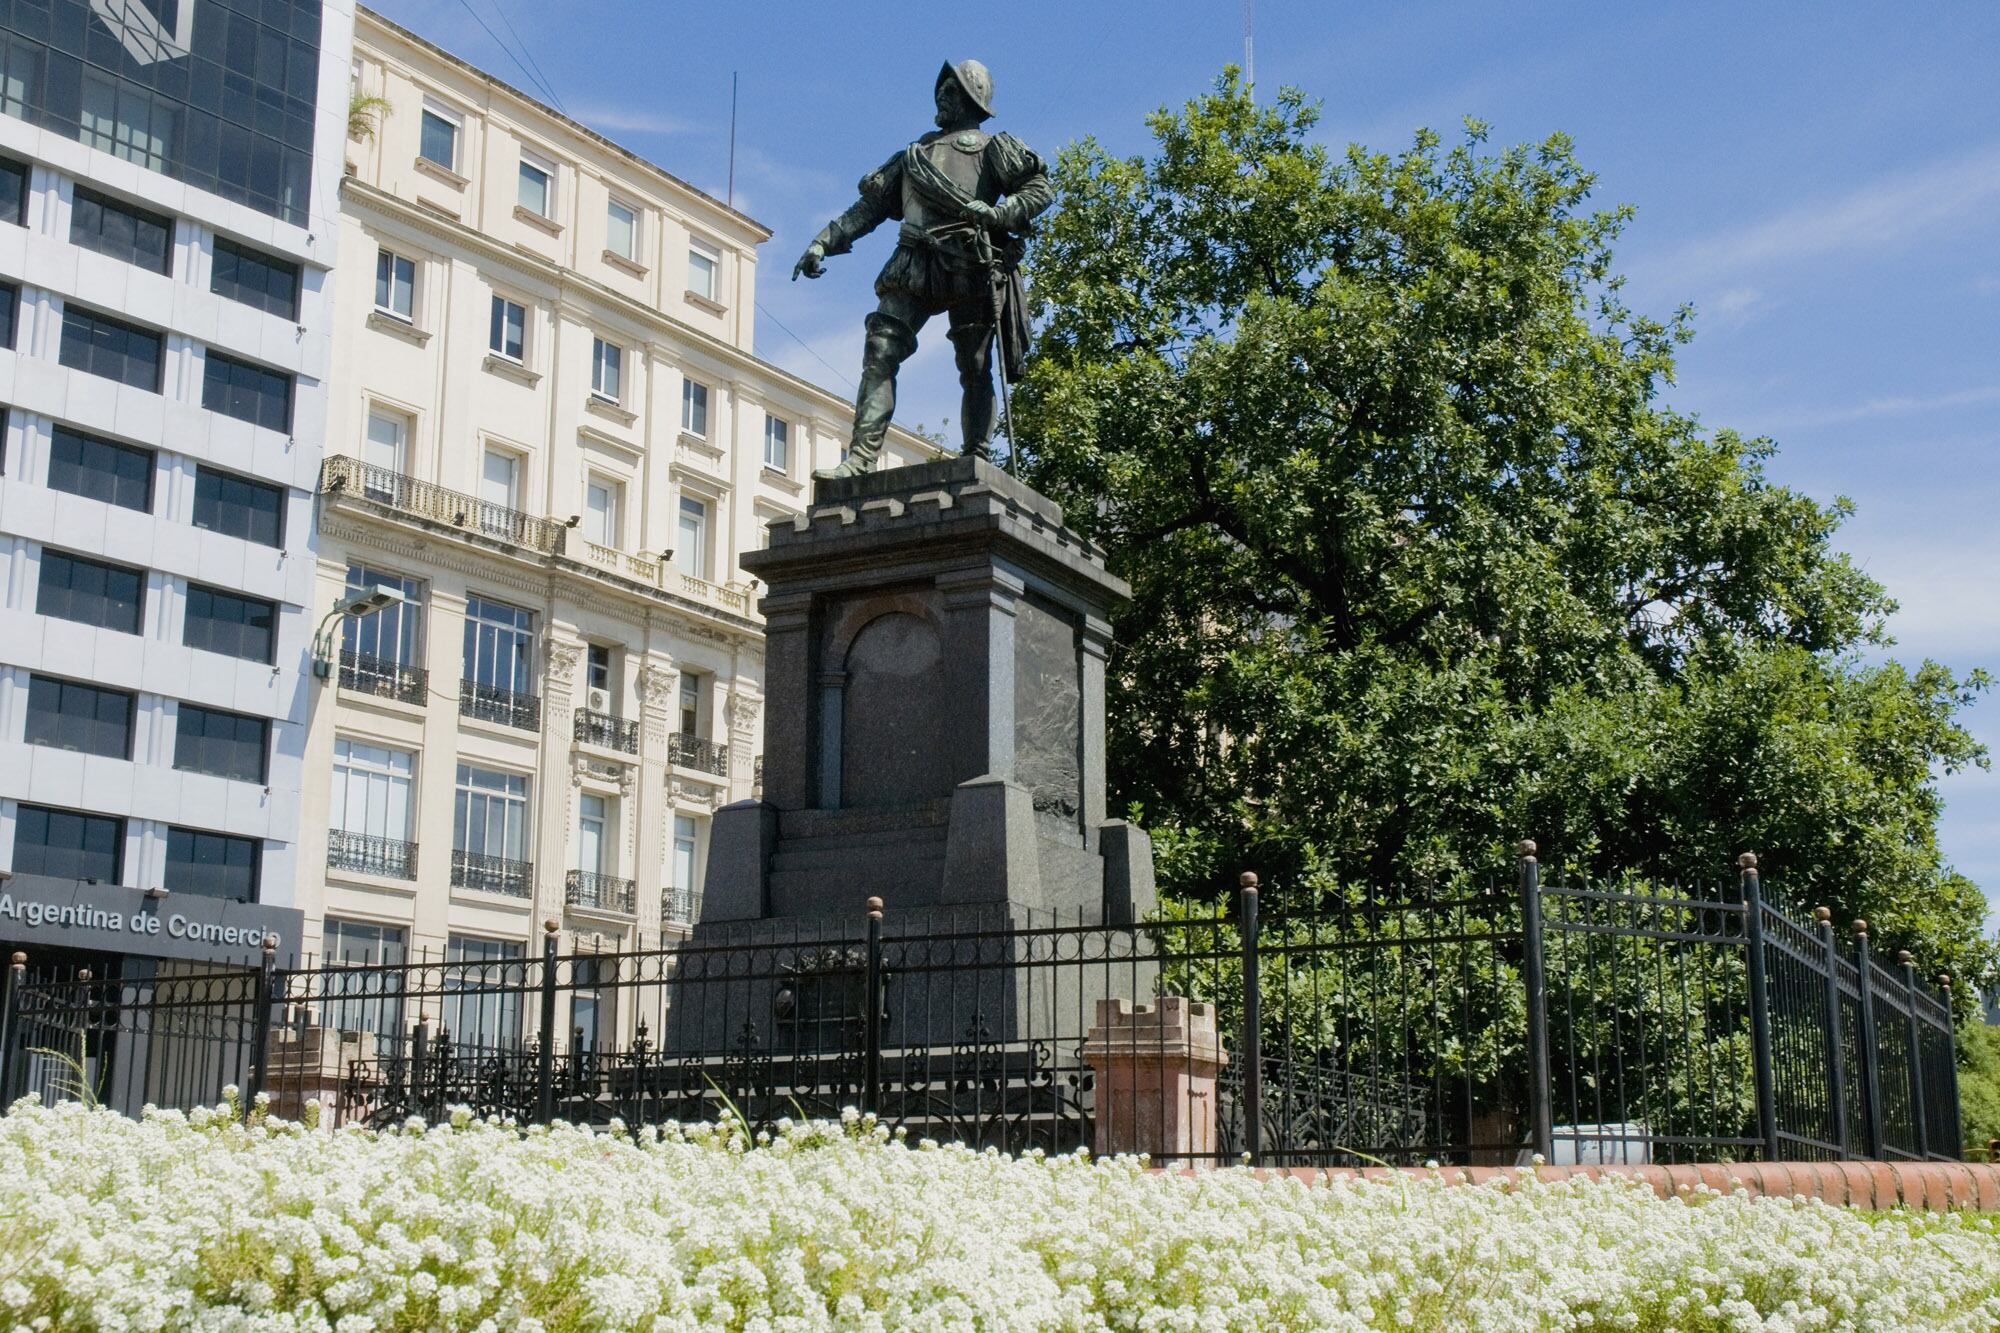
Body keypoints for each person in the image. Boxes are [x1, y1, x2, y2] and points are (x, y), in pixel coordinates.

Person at [793, 59, 1052, 477]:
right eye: (941, 89)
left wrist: (1002, 214)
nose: (941, 97)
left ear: (973, 99)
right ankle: (860, 459)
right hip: (914, 260)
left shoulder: (994, 149)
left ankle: (978, 457)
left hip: (970, 262)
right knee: (881, 350)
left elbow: (1038, 188)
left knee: (975, 363)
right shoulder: (914, 155)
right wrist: (823, 240)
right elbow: (871, 207)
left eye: (951, 91)